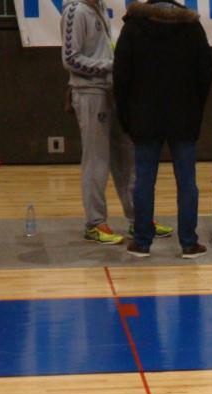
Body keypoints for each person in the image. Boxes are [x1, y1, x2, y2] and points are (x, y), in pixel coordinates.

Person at [61, 0, 172, 244]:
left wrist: (117, 69)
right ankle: (95, 223)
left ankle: (139, 219)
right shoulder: (75, 10)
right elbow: (70, 58)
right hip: (90, 93)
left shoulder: (99, 7)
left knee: (127, 156)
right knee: (96, 158)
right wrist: (111, 66)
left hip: (112, 91)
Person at [113, 0, 212, 259]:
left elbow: (121, 77)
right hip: (184, 116)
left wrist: (127, 118)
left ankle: (141, 242)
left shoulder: (133, 27)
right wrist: (195, 108)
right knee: (187, 182)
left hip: (144, 116)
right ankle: (189, 243)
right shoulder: (192, 27)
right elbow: (206, 73)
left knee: (144, 181)